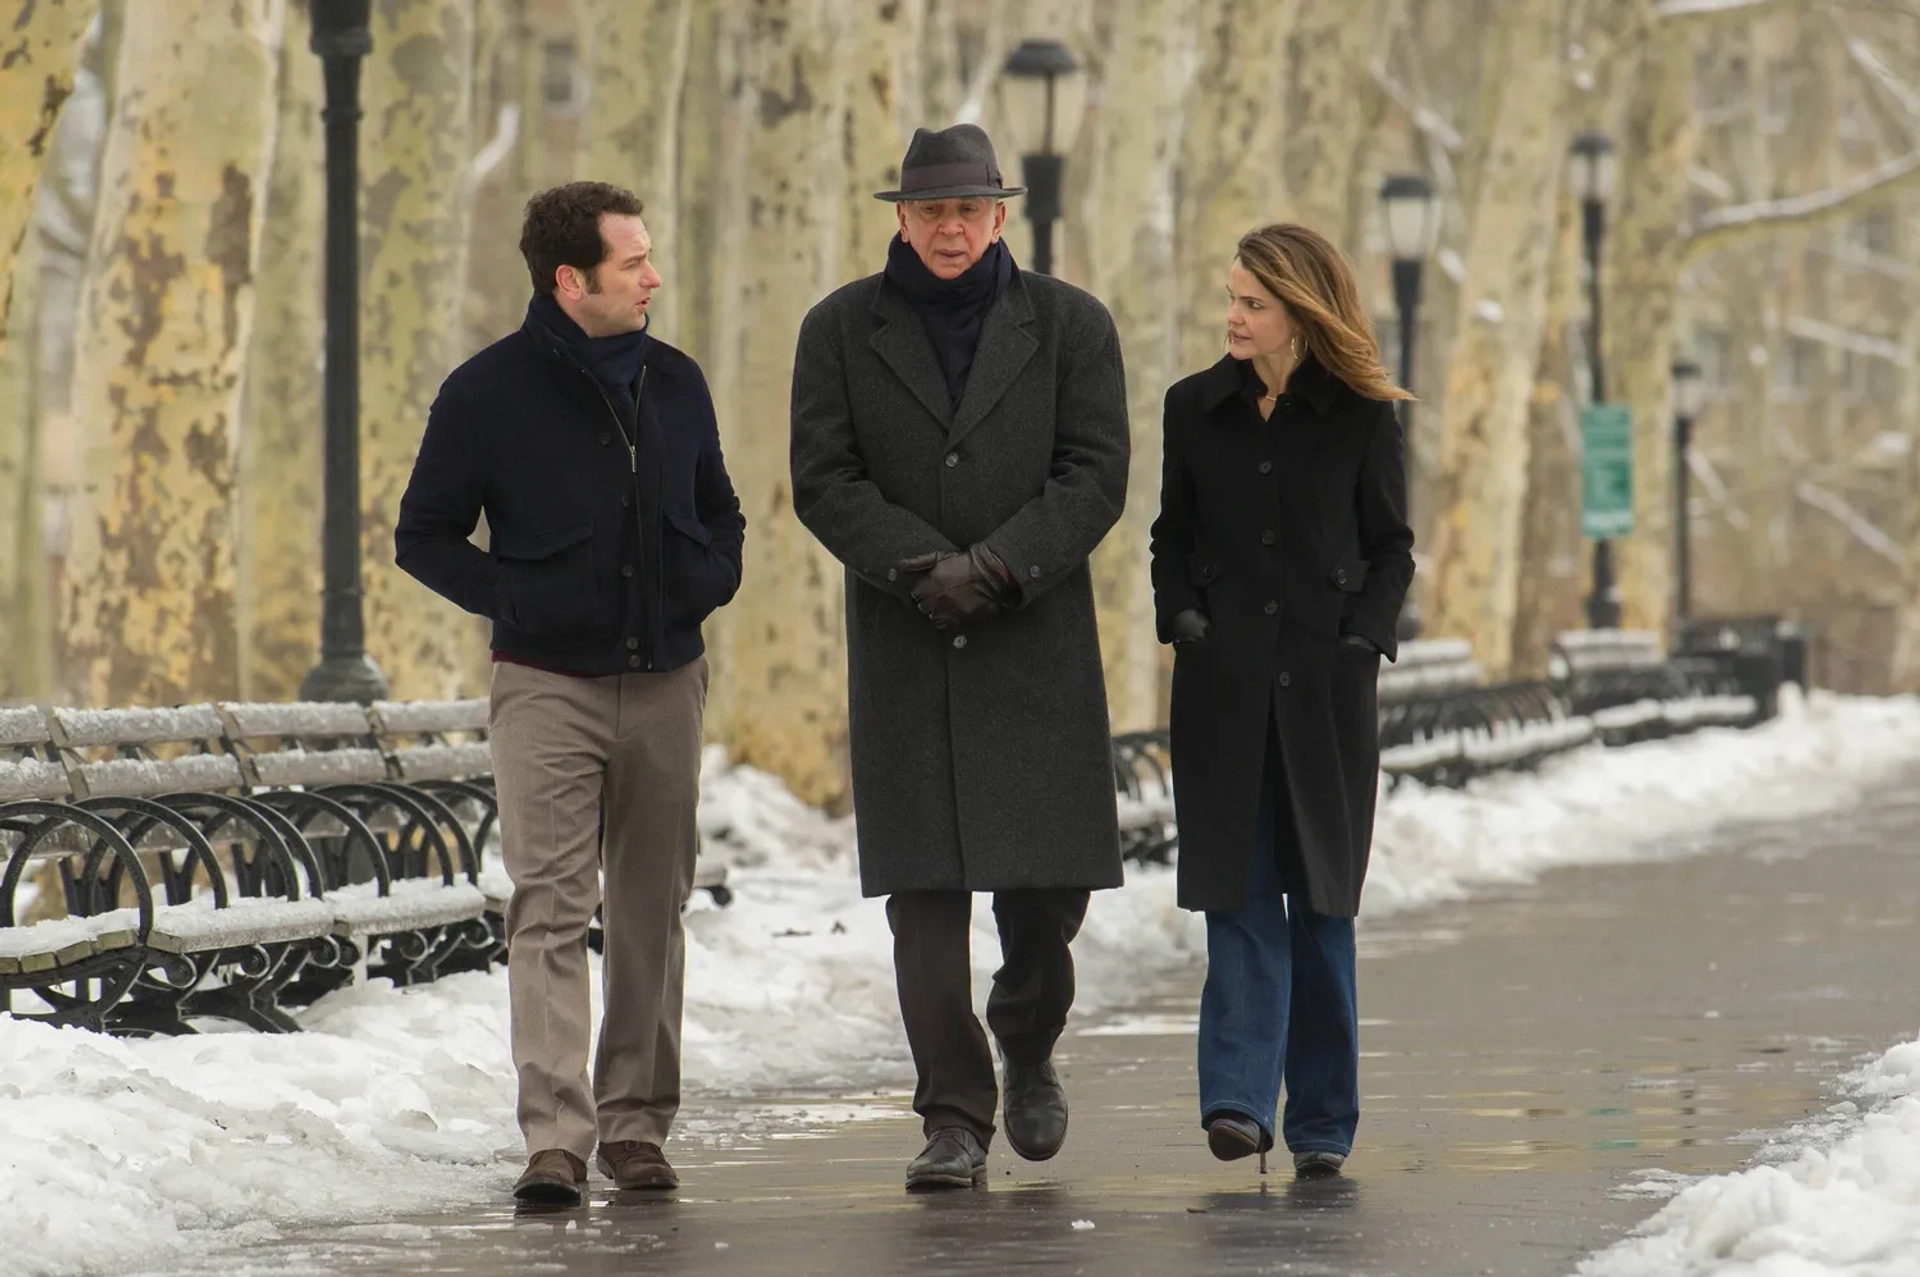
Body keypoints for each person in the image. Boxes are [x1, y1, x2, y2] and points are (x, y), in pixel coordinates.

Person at [789, 123, 1130, 1191]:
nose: (950, 229)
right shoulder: (839, 328)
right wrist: (919, 567)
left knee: (1043, 900)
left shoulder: (1073, 325)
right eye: (930, 211)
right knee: (924, 898)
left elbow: (1096, 472)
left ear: (1000, 215)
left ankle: (1026, 1042)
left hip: (1033, 640)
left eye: (968, 210)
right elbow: (823, 475)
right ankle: (952, 1112)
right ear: (900, 215)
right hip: (908, 641)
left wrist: (997, 566)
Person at [395, 181, 744, 1205]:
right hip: (546, 688)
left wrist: (707, 578)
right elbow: (424, 534)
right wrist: (520, 599)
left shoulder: (676, 383)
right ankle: (556, 1134)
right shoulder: (484, 393)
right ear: (569, 279)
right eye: (634, 262)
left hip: (669, 678)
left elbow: (720, 511)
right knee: (548, 905)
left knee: (651, 905)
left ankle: (636, 1124)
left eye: (649, 258)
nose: (653, 276)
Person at [1150, 222, 1414, 1180]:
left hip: (1327, 697)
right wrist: (1180, 613)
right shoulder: (1193, 408)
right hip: (1223, 694)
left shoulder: (1362, 416)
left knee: (1322, 911)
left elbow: (1392, 547)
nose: (1233, 316)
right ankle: (1235, 1100)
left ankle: (1324, 1121)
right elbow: (1170, 536)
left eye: (1252, 304)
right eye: (1230, 298)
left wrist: (1361, 637)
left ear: (1300, 315)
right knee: (1240, 896)